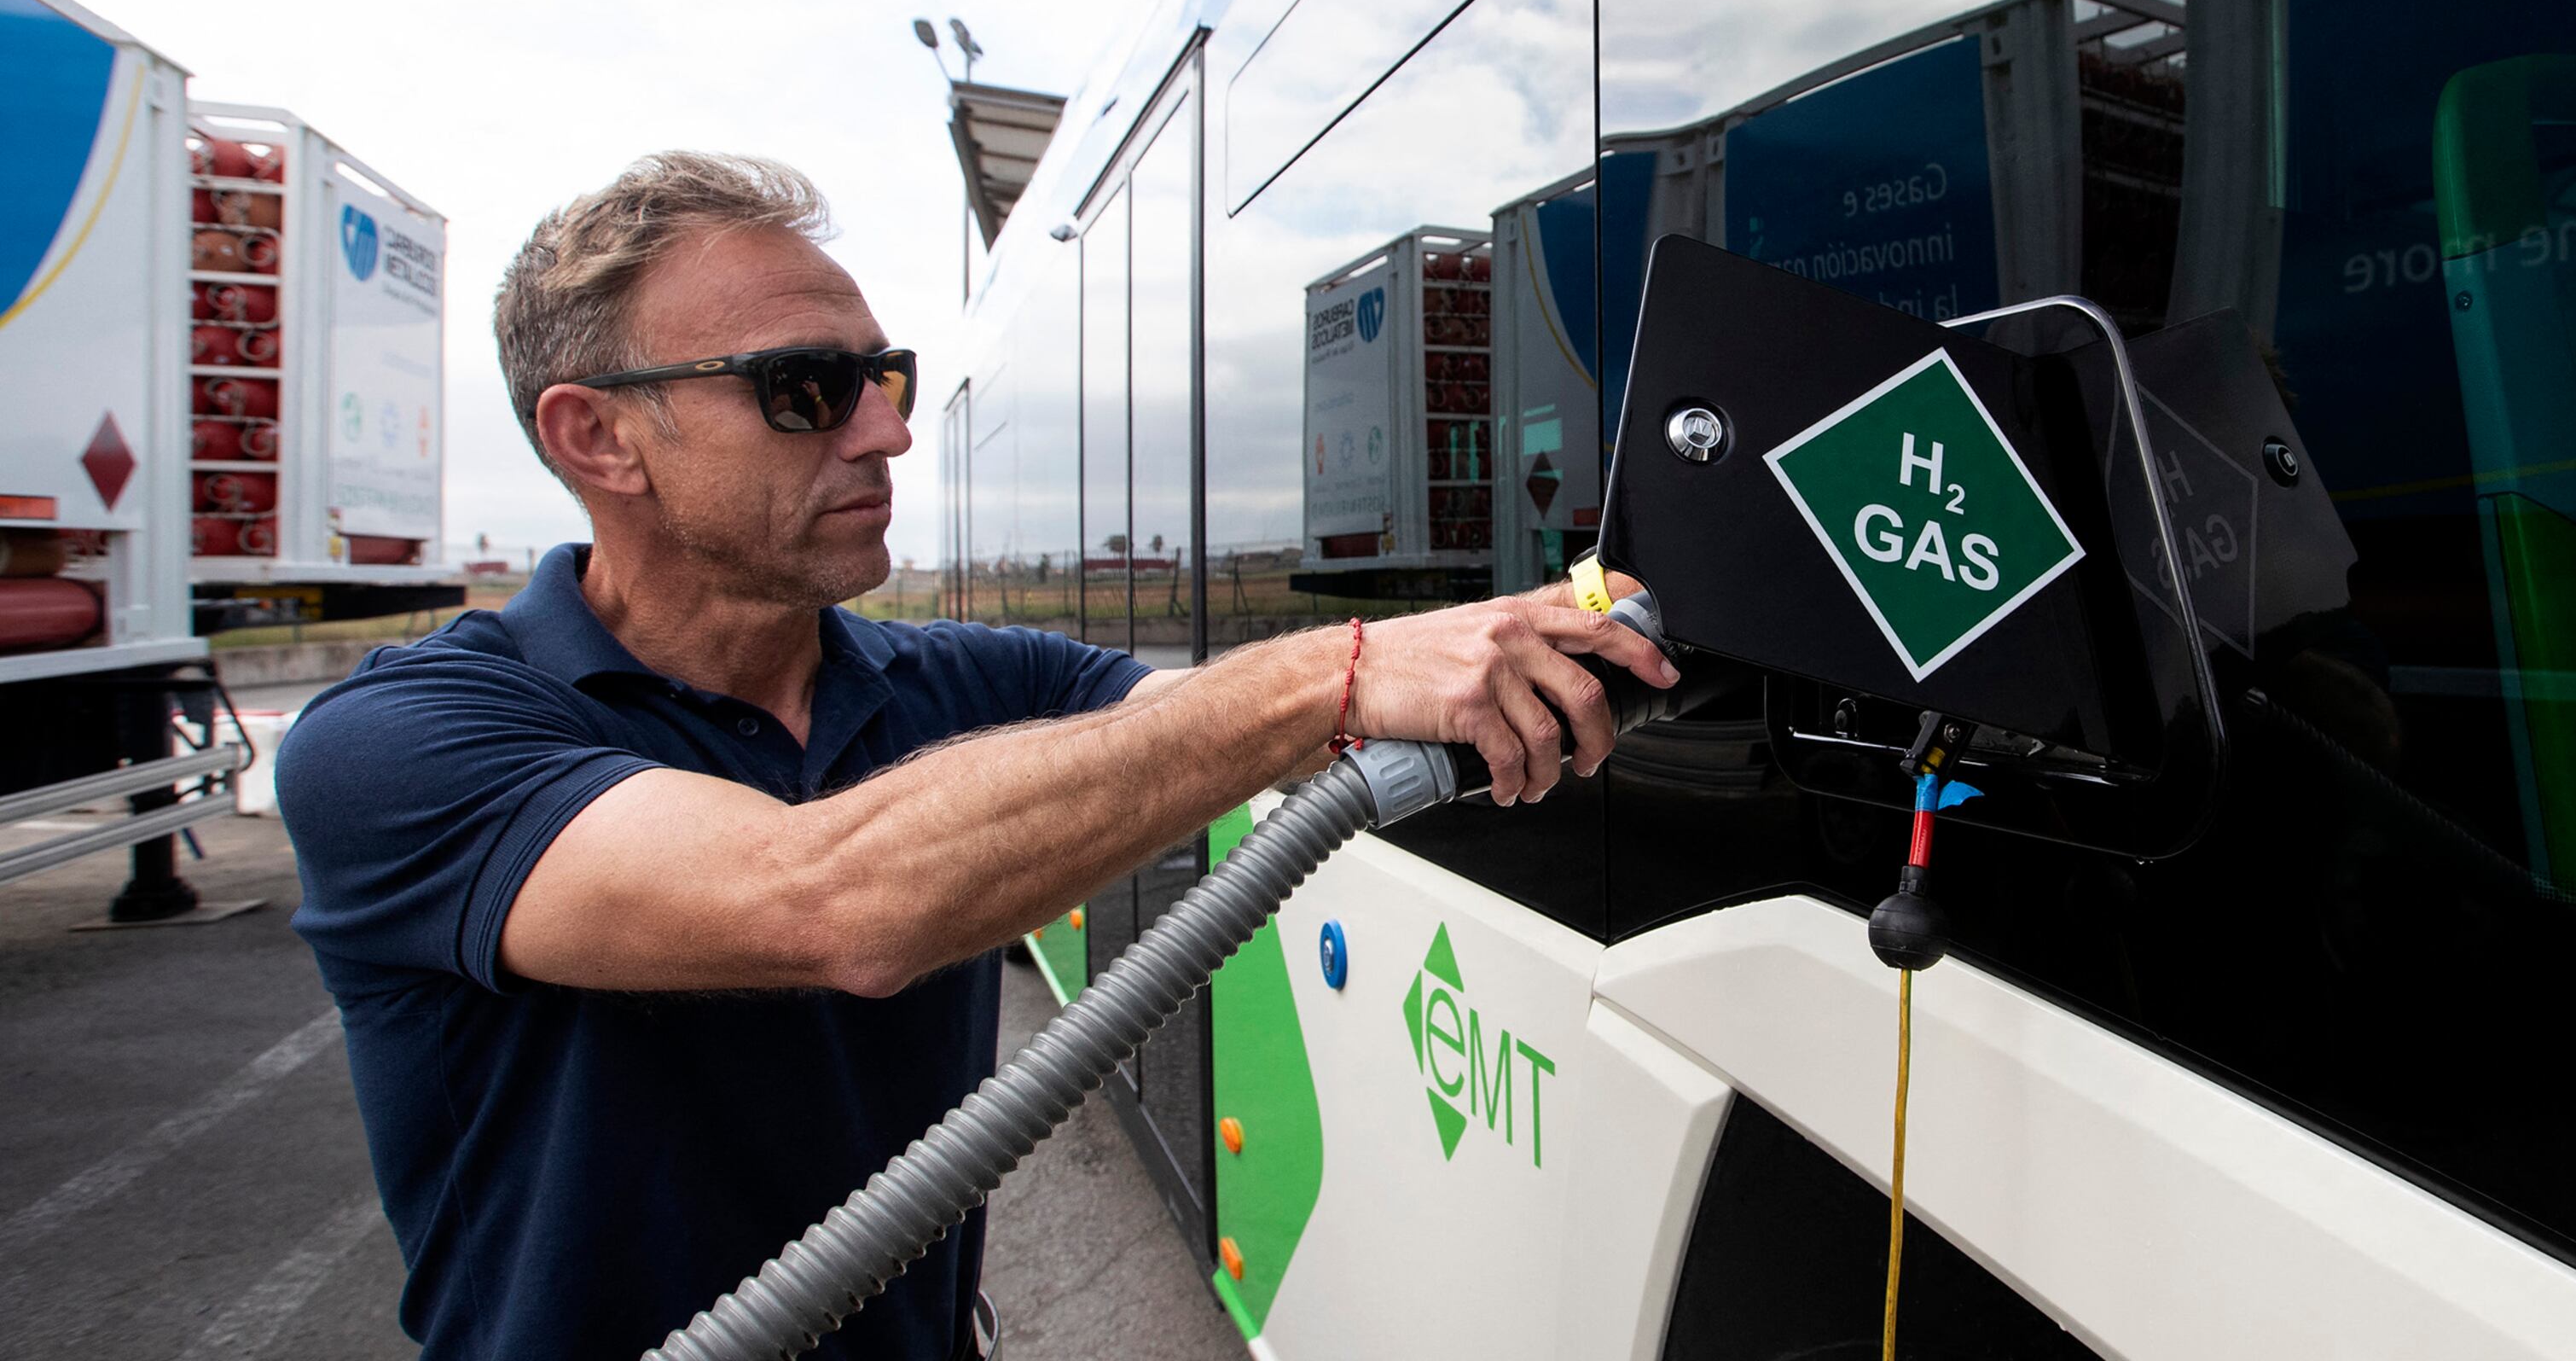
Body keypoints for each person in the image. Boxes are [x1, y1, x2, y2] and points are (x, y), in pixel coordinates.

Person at [278, 154, 1669, 1361]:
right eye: (807, 390)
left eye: (885, 380)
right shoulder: (405, 746)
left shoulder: (972, 683)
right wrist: (1339, 669)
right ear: (599, 437)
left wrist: (1542, 638)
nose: (885, 432)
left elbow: (1198, 717)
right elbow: (827, 899)